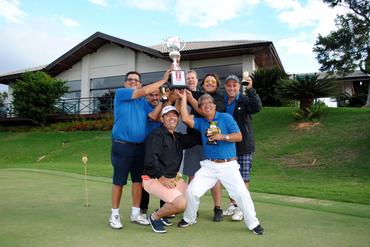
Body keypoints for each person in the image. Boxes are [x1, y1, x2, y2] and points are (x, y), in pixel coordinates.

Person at [177, 92, 264, 235]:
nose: (207, 106)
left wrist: (222, 136)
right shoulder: (202, 122)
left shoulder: (226, 117)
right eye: (203, 105)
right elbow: (186, 118)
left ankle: (253, 224)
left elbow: (239, 136)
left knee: (242, 194)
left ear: (214, 105)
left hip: (228, 165)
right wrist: (184, 97)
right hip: (209, 166)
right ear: (201, 109)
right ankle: (189, 218)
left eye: (209, 103)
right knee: (192, 191)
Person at [109, 70, 170, 229]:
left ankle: (136, 213)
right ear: (125, 83)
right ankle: (114, 214)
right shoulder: (121, 94)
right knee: (119, 181)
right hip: (121, 145)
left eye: (136, 80)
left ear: (140, 83)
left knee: (138, 181)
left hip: (139, 147)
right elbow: (144, 91)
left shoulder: (142, 102)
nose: (133, 82)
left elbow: (152, 116)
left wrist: (163, 101)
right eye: (130, 79)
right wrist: (163, 80)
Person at [142, 105, 200, 233]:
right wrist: (161, 177)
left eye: (175, 115)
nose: (172, 117)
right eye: (168, 115)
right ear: (162, 119)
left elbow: (196, 139)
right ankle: (155, 217)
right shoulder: (157, 134)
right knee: (181, 204)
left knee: (192, 196)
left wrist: (192, 122)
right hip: (153, 178)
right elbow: (151, 159)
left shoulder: (177, 137)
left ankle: (161, 213)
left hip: (172, 178)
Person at [184, 73, 225, 222]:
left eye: (212, 81)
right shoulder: (197, 94)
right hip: (193, 142)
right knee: (192, 177)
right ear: (202, 84)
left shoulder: (219, 99)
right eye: (207, 81)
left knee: (214, 179)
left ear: (216, 84)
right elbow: (183, 103)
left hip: (210, 144)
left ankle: (218, 208)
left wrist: (191, 100)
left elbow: (208, 114)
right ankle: (192, 208)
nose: (209, 83)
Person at [222, 74, 262, 221]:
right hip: (228, 146)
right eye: (229, 85)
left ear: (238, 86)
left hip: (244, 145)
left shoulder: (245, 100)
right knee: (231, 178)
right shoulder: (223, 102)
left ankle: (242, 208)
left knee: (243, 178)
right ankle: (233, 204)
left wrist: (251, 89)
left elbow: (257, 107)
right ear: (225, 87)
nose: (232, 88)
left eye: (234, 85)